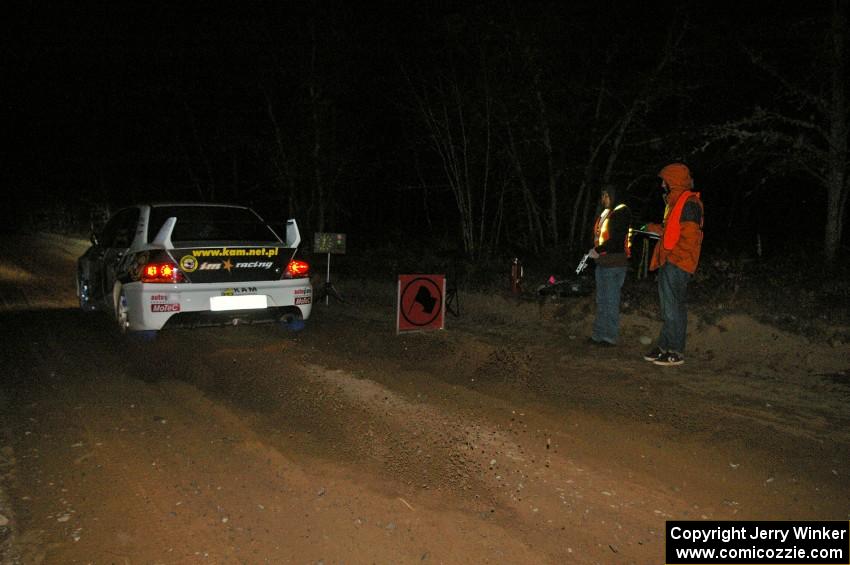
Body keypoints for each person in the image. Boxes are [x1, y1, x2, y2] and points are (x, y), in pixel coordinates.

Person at [642, 163, 704, 366]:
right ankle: (665, 346)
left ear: (673, 181)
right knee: (671, 307)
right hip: (671, 261)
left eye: (664, 180)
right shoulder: (676, 202)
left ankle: (676, 351)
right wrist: (649, 228)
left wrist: (673, 258)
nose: (662, 185)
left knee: (673, 308)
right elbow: (671, 231)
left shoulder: (688, 203)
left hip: (677, 262)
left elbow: (690, 237)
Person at [588, 187, 631, 346]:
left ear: (613, 196)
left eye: (606, 195)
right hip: (602, 264)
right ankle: (598, 335)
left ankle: (610, 337)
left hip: (614, 264)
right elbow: (599, 237)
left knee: (611, 301)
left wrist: (598, 250)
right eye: (602, 195)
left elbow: (617, 240)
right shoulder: (606, 213)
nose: (603, 198)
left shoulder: (621, 212)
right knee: (601, 301)